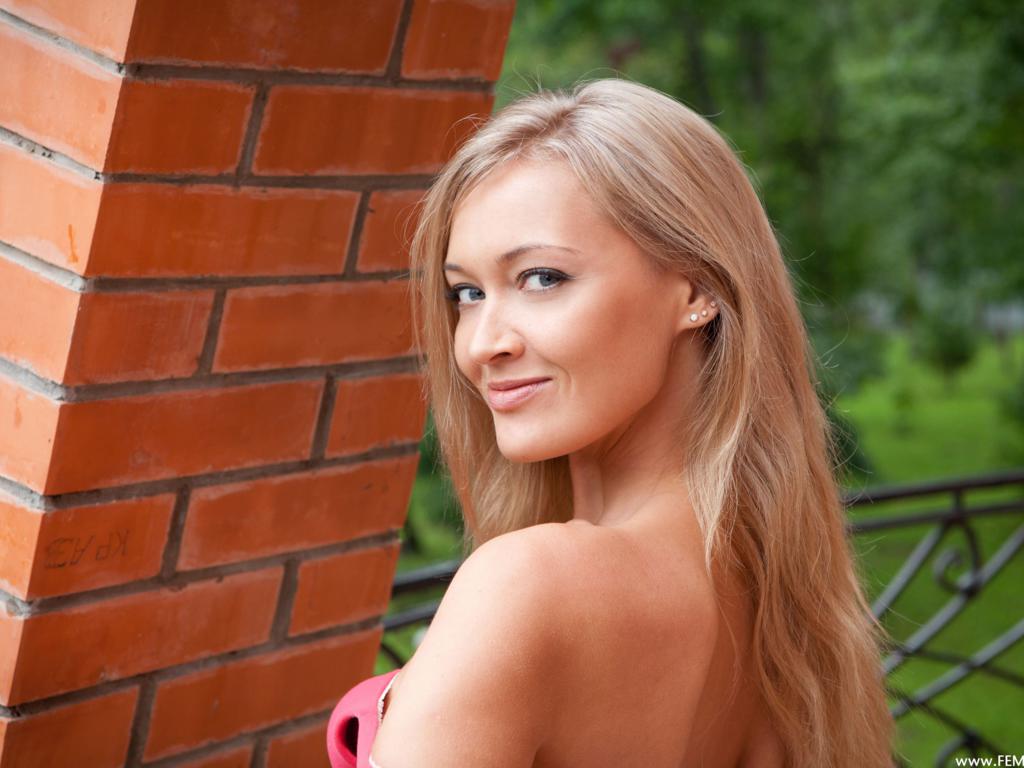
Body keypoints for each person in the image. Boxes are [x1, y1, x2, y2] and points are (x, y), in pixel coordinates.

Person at [327, 75, 896, 768]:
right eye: (466, 293)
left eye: (542, 278)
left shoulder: (528, 586)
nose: (480, 345)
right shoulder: (785, 599)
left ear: (696, 288)